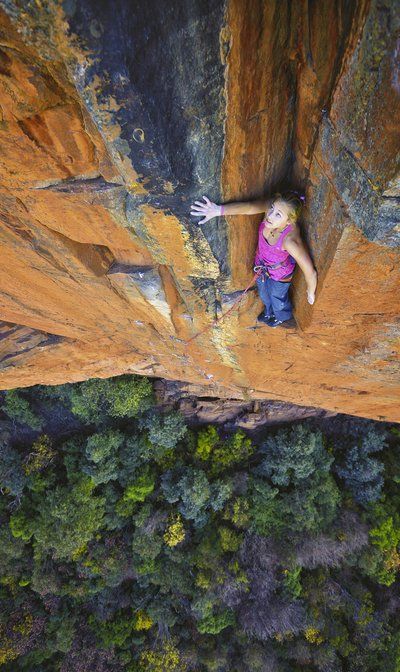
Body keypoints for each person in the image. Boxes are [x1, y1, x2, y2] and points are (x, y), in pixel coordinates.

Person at [190, 193, 317, 327]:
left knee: (277, 297)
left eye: (278, 214)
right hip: (261, 266)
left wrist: (310, 291)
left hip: (280, 275)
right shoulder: (270, 214)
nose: (270, 215)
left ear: (289, 221)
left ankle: (281, 316)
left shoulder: (290, 241)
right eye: (272, 209)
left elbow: (310, 271)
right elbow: (249, 207)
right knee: (263, 293)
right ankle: (268, 312)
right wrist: (218, 210)